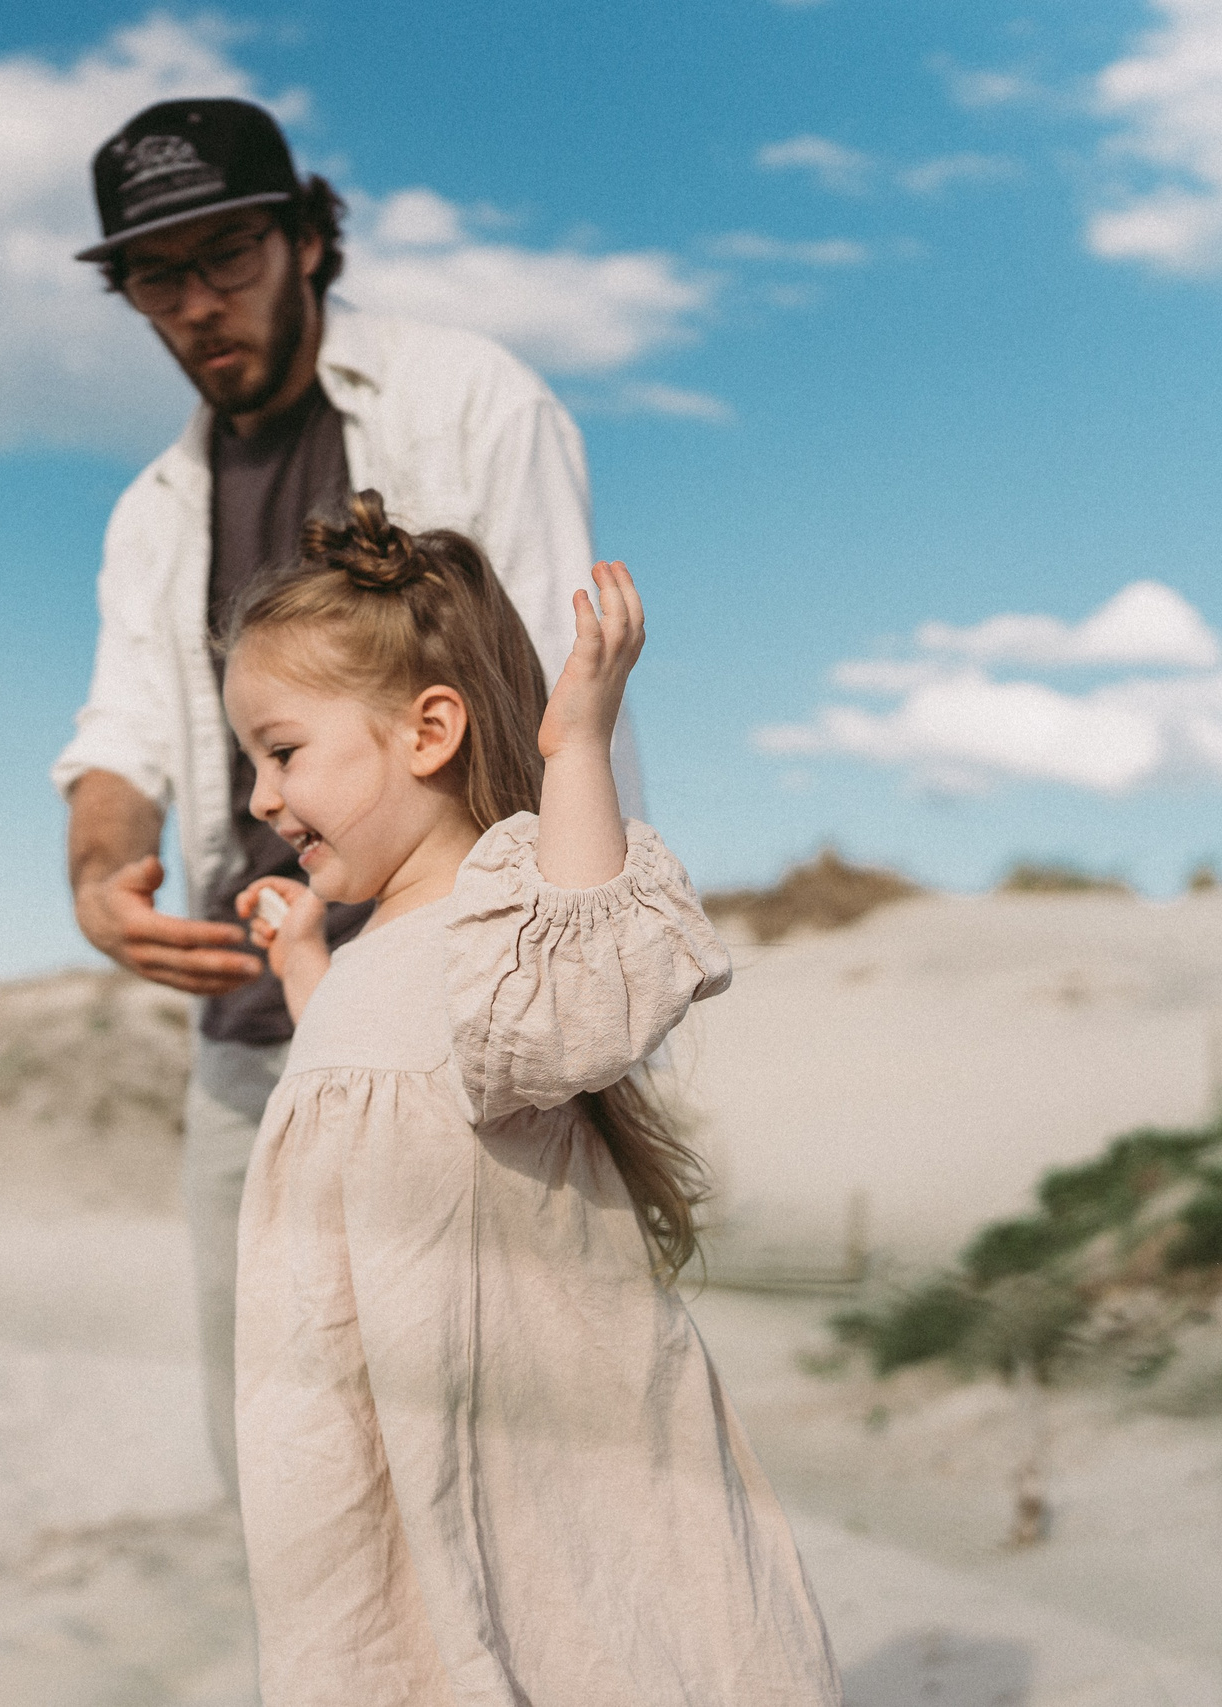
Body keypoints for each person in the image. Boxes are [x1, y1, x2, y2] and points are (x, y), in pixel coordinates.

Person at [51, 96, 639, 1497]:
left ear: (310, 240)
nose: (197, 303)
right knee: (292, 1486)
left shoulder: (469, 401)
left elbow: (552, 704)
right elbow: (121, 729)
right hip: (256, 1050)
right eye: (156, 275)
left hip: (479, 1046)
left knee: (524, 1484)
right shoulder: (153, 509)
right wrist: (100, 872)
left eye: (229, 254)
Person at [220, 491, 837, 1705]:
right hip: (366, 1444)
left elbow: (579, 993)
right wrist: (305, 975)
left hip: (515, 1440)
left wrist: (575, 751)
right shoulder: (374, 959)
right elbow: (371, 1105)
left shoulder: (504, 934)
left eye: (282, 752)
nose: (257, 798)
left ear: (428, 729)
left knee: (563, 1636)